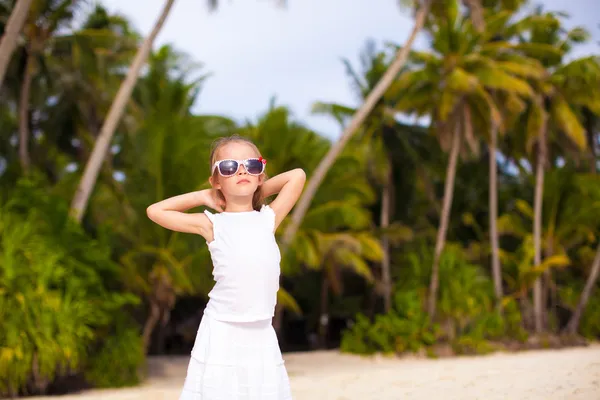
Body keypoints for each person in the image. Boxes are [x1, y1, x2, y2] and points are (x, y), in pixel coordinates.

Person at [146, 135, 306, 400]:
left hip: (261, 331)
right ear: (216, 180)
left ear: (260, 175)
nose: (242, 170)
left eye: (251, 165)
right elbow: (155, 211)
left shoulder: (268, 218)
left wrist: (255, 190)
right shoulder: (211, 224)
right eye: (230, 167)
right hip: (222, 329)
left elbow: (297, 176)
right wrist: (205, 196)